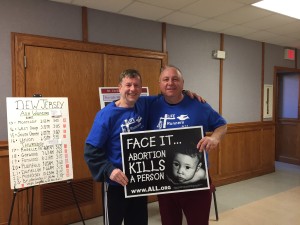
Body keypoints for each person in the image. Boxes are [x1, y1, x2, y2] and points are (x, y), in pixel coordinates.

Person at [84, 68, 205, 225]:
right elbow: (91, 151)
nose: (132, 89)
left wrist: (186, 92)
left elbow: (169, 94)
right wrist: (109, 170)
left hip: (140, 181)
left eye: (136, 85)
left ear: (141, 89)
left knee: (139, 221)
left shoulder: (144, 104)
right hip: (116, 183)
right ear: (119, 88)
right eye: (128, 85)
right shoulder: (106, 115)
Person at [148, 65, 227, 225]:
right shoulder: (150, 105)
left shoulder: (199, 105)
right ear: (159, 84)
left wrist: (215, 138)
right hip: (165, 180)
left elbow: (222, 125)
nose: (170, 83)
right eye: (166, 79)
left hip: (197, 182)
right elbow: (126, 101)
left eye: (175, 79)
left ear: (183, 83)